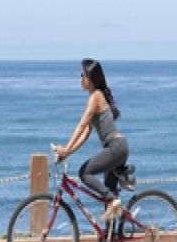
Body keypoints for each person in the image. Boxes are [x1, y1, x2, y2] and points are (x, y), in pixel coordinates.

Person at [54, 59, 129, 222]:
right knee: (107, 203)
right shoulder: (96, 96)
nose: (80, 79)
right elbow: (86, 133)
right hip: (118, 148)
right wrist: (68, 153)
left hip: (115, 148)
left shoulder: (95, 97)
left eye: (82, 75)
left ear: (91, 78)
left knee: (84, 173)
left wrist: (66, 149)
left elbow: (81, 126)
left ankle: (114, 200)